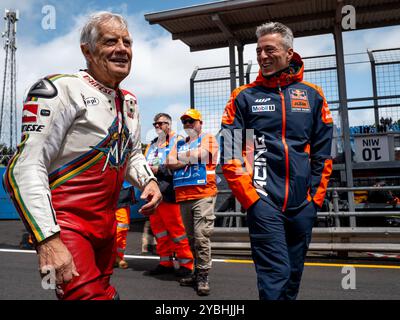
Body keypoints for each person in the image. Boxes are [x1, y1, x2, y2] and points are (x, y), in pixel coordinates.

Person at [3, 12, 161, 300]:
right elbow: (22, 167)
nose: (122, 48)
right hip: (67, 227)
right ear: (86, 50)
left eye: (127, 42)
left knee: (105, 292)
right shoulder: (58, 89)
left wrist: (147, 181)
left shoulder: (130, 101)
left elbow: (132, 154)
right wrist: (48, 239)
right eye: (110, 41)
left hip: (107, 228)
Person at [220, 22, 333, 300]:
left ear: (289, 52)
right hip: (264, 202)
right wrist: (253, 200)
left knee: (293, 278)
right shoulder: (243, 97)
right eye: (258, 51)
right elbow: (232, 155)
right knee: (275, 277)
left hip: (301, 205)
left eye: (269, 50)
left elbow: (324, 153)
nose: (262, 56)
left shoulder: (312, 94)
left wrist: (313, 200)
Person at [167, 109, 219, 296]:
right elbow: (169, 161)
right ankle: (197, 273)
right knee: (190, 239)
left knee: (201, 236)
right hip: (183, 197)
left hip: (203, 194)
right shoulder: (179, 143)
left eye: (191, 121)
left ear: (200, 123)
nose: (188, 124)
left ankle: (203, 275)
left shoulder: (208, 138)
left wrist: (181, 159)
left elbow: (203, 154)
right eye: (185, 122)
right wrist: (189, 157)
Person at [144, 113, 194, 277]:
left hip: (169, 191)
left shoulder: (178, 141)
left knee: (177, 230)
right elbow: (144, 164)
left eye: (160, 123)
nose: (157, 126)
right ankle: (165, 262)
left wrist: (161, 169)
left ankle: (186, 264)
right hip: (153, 193)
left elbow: (182, 163)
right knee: (159, 231)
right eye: (155, 124)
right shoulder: (151, 145)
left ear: (169, 124)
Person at [115, 183, 136, 269]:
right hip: (110, 192)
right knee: (119, 227)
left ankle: (118, 257)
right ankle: (111, 256)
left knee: (122, 227)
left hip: (123, 194)